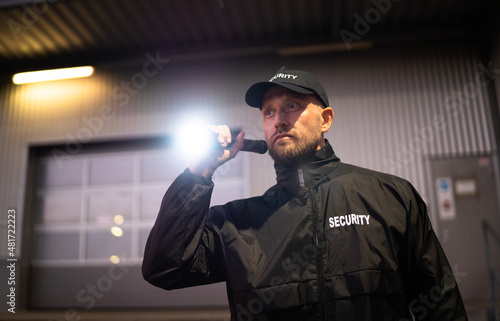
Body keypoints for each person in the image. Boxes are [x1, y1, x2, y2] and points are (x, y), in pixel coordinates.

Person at [142, 67, 468, 320]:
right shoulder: (238, 224)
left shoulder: (391, 196)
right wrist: (198, 174)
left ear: (325, 119)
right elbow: (165, 268)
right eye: (268, 112)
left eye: (291, 105)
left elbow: (440, 302)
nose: (278, 120)